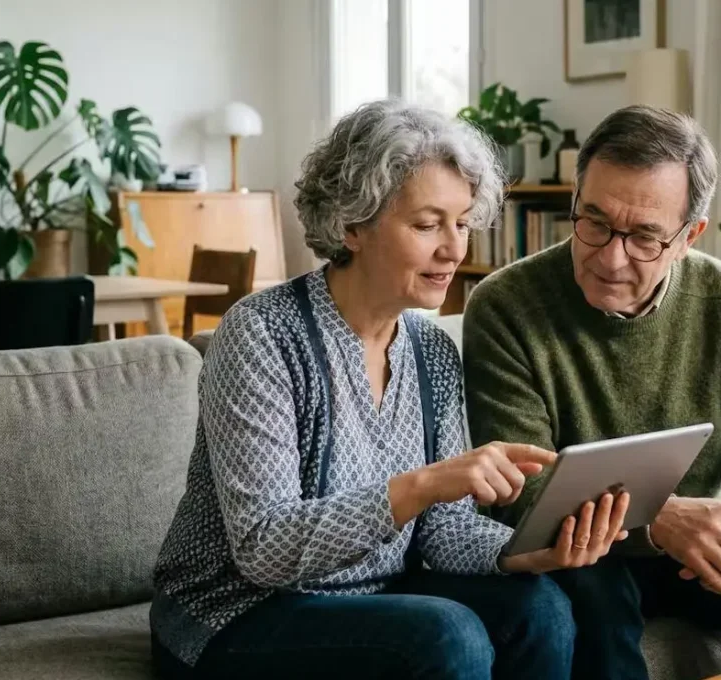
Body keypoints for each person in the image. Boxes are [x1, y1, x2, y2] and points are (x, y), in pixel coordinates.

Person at [150, 100, 631, 680]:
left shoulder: (432, 352)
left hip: (377, 592)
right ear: (353, 224)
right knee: (446, 637)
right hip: (234, 612)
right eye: (427, 225)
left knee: (542, 608)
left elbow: (446, 532)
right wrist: (425, 484)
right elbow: (263, 549)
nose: (454, 249)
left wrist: (527, 553)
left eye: (461, 223)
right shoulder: (261, 334)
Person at [462, 105, 721, 679]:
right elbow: (522, 487)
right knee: (588, 582)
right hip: (583, 556)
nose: (609, 257)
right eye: (593, 221)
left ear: (688, 236)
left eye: (644, 236)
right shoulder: (506, 306)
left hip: (697, 557)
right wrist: (658, 520)